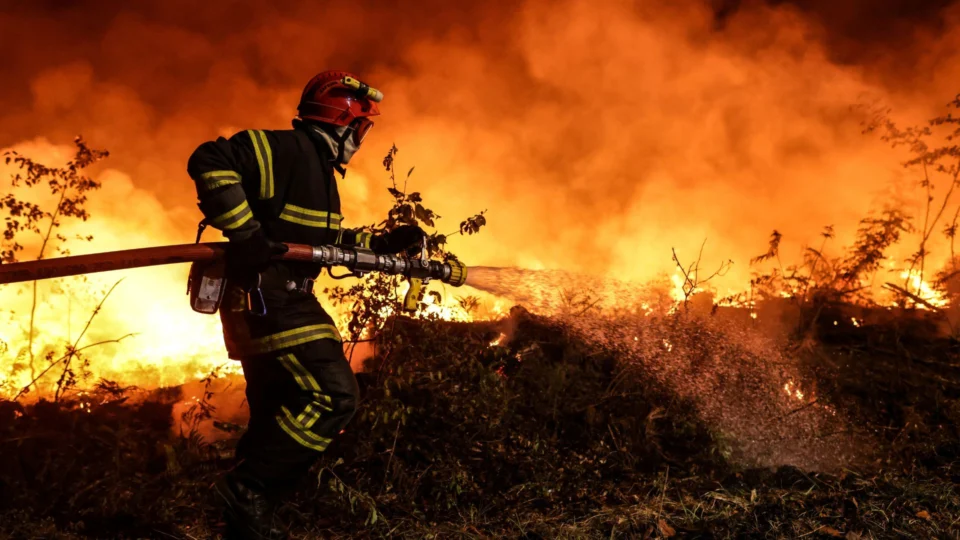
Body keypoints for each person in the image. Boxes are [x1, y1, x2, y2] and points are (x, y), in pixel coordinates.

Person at [186, 70, 425, 539]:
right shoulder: (283, 149)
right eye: (362, 128)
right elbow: (209, 159)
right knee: (334, 396)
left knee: (277, 409)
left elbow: (320, 241)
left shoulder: (313, 171)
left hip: (270, 301)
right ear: (343, 123)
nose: (362, 138)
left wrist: (384, 242)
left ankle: (243, 522)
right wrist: (247, 233)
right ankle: (247, 489)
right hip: (269, 302)